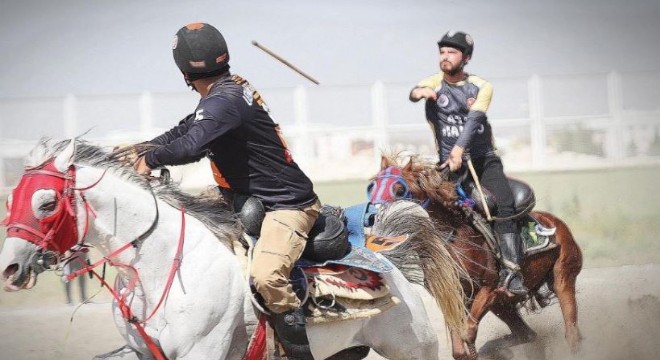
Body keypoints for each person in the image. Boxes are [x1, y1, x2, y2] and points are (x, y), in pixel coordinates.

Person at [130, 23, 321, 357]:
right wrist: (141, 148)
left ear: (185, 71)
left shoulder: (224, 102)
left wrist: (151, 157)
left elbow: (190, 146)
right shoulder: (224, 93)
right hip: (247, 197)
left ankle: (299, 353)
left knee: (266, 278)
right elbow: (185, 128)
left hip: (287, 205)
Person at [408, 30, 528, 297]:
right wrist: (422, 92)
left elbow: (474, 120)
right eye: (442, 52)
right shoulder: (435, 82)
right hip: (447, 167)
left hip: (483, 161)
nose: (445, 56)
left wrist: (459, 149)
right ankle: (428, 270)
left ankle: (512, 271)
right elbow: (414, 92)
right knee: (430, 208)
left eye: (452, 52)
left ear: (467, 57)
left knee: (504, 204)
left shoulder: (482, 87)